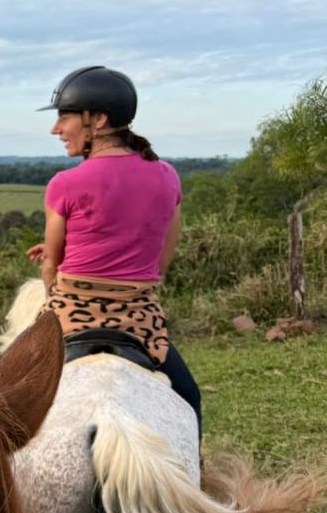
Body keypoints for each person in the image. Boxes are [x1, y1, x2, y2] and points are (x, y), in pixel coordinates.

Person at [27, 65, 202, 437]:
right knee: (188, 398)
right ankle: (197, 475)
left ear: (99, 120)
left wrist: (54, 291)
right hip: (140, 320)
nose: (56, 129)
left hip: (70, 316)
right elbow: (160, 259)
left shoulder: (65, 184)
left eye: (64, 117)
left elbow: (51, 269)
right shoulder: (167, 176)